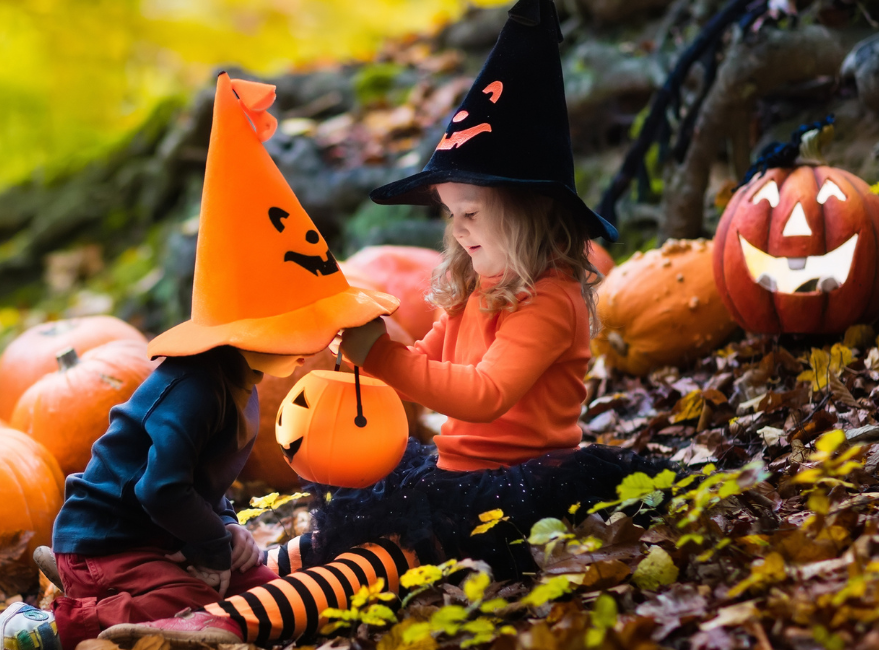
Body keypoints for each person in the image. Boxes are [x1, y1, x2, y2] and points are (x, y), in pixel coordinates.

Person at [103, 0, 672, 645]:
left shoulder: (550, 299)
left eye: (473, 213)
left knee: (379, 562)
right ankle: (157, 597)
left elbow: (483, 395)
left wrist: (387, 358)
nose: (457, 228)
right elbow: (433, 356)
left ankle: (214, 626)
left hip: (519, 480)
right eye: (451, 213)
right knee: (333, 535)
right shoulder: (479, 286)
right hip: (457, 469)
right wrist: (384, 338)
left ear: (532, 212)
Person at [40, 71, 399, 650]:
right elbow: (161, 488)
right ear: (245, 332)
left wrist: (227, 531)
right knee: (200, 605)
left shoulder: (241, 378)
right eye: (296, 330)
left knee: (255, 585)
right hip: (109, 539)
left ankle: (114, 593)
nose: (310, 346)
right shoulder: (193, 389)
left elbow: (201, 480)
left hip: (162, 535)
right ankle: (64, 620)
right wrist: (209, 546)